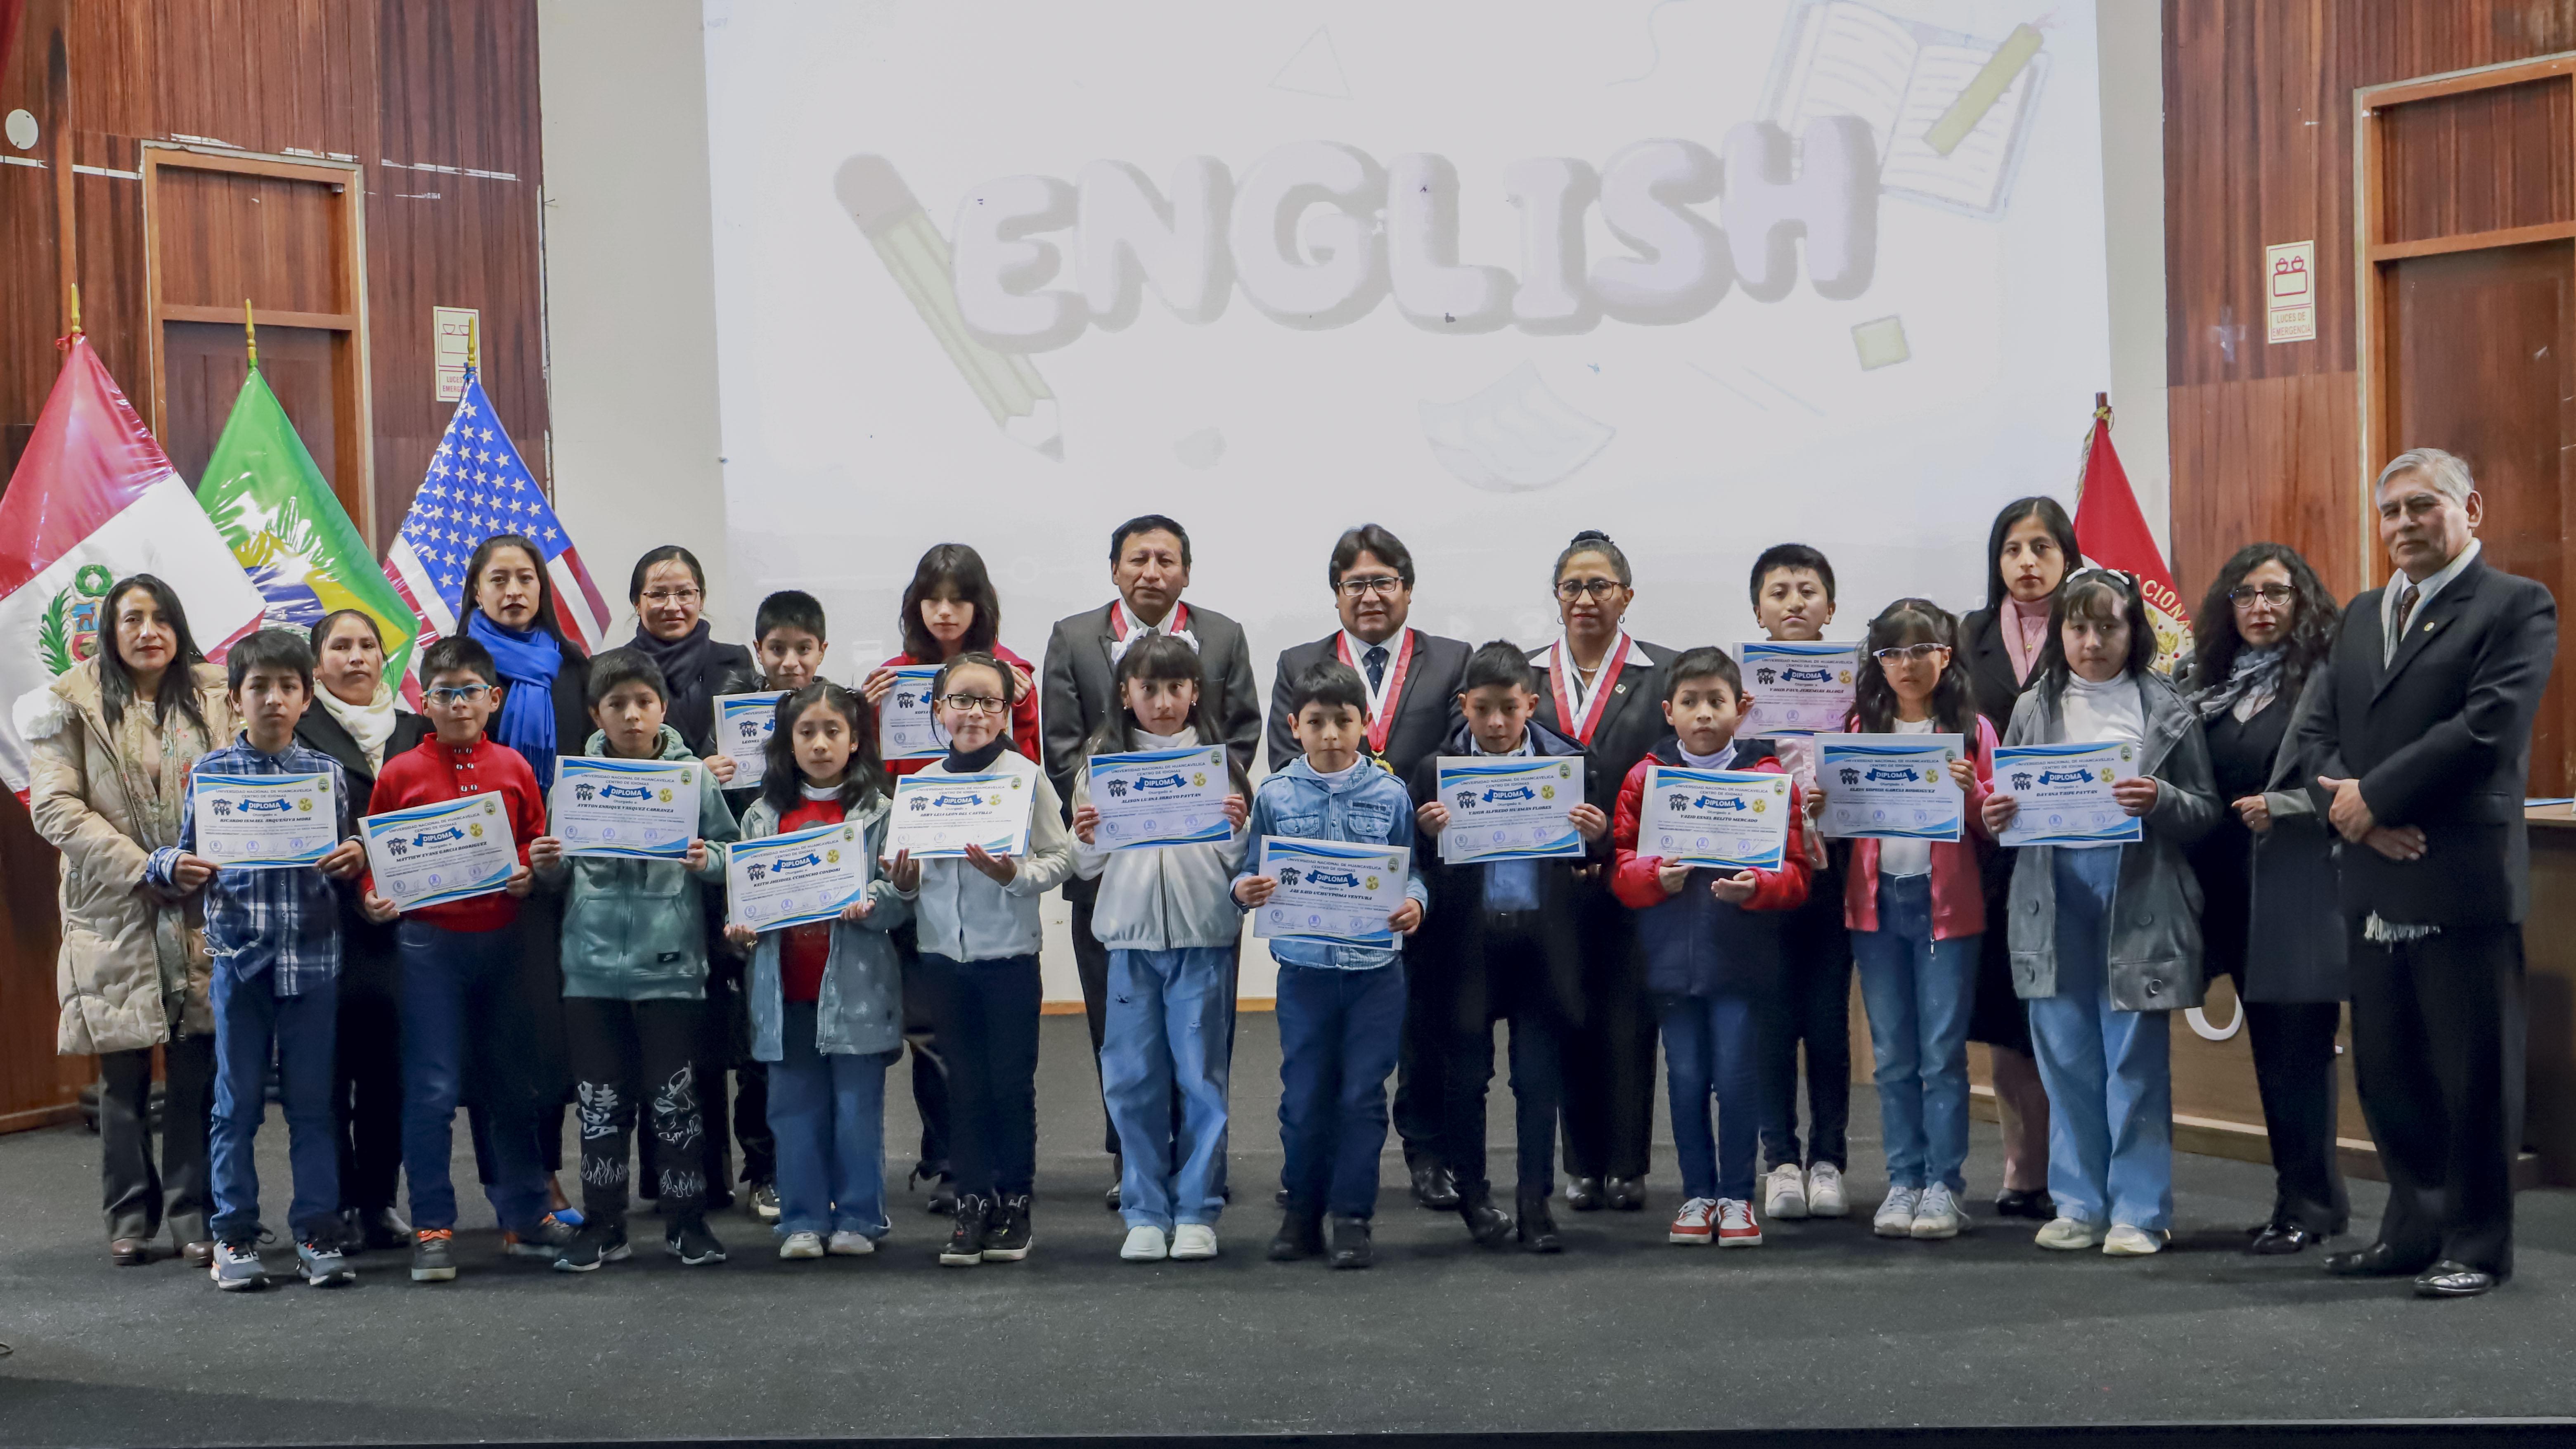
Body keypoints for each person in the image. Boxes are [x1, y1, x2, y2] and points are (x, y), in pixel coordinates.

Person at [2302, 448, 2557, 1298]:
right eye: (2390, 512)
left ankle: (2477, 1245)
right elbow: (2313, 738)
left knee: (2474, 1074)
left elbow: (2487, 730)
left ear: (2469, 508)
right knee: (2390, 1069)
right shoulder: (2364, 612)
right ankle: (2411, 1230)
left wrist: (2371, 798)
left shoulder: (2517, 606)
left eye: (2423, 505)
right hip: (2375, 873)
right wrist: (2355, 816)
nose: (2404, 524)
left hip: (2461, 879)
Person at [1980, 569, 2217, 1258]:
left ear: (2133, 629)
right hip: (2051, 895)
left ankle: (2139, 1211)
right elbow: (2010, 803)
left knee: (2135, 1059)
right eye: (2078, 628)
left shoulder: (2166, 704)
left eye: (2108, 626)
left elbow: (2204, 810)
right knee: (2064, 1057)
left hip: (2137, 894)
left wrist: (2161, 801)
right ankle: (2079, 1203)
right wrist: (1998, 815)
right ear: (2060, 633)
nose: (2092, 642)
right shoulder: (2034, 705)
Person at [1041, 516, 1261, 1208]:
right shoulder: (1074, 637)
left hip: (1201, 878)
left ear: (1186, 572)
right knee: (1122, 1040)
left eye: (1168, 559)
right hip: (1116, 879)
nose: (1152, 570)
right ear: (1115, 568)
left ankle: (1202, 1171)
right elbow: (1062, 739)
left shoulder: (1224, 634)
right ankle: (1128, 1164)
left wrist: (1195, 805)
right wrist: (1123, 800)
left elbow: (1244, 729)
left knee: (1201, 1048)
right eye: (1138, 558)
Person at [143, 629, 370, 1289]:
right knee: (235, 1105)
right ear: (237, 698)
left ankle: (318, 1229)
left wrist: (356, 859)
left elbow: (349, 864)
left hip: (313, 964)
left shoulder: (326, 775)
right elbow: (177, 859)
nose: (274, 699)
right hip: (241, 965)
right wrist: (171, 864)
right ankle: (235, 1235)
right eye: (259, 688)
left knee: (313, 1106)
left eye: (288, 688)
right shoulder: (211, 775)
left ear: (307, 697)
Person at [25, 575, 235, 1268]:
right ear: (108, 633)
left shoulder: (219, 694)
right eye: (132, 619)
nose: (149, 631)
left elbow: (244, 783)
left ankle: (189, 1211)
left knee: (196, 1066)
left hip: (203, 905)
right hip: (114, 909)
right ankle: (128, 1215)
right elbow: (55, 809)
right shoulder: (68, 708)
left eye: (161, 618)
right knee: (121, 1074)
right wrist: (147, 866)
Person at [1267, 524, 1470, 1210]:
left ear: (1407, 590)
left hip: (1418, 866)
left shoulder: (1450, 658)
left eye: (1384, 580)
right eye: (1356, 583)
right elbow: (1280, 760)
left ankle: (1426, 1153)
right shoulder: (1300, 662)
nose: (1371, 594)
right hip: (1325, 880)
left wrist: (1410, 805)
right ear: (1336, 596)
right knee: (1322, 1050)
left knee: (1423, 1024)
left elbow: (1457, 755)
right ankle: (1310, 1166)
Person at [528, 649, 741, 1271]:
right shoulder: (572, 781)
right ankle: (604, 1223)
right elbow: (560, 870)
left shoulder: (693, 779)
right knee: (599, 1101)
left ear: (662, 708)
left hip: (670, 966)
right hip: (590, 967)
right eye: (616, 704)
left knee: (675, 1099)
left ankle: (686, 1221)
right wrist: (547, 864)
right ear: (596, 712)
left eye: (642, 702)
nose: (631, 714)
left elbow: (733, 851)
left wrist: (714, 861)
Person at [357, 636, 557, 1282]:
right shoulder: (399, 773)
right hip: (427, 949)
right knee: (434, 1090)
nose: (459, 703)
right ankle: (433, 1227)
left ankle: (525, 1217)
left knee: (509, 1084)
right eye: (444, 692)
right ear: (425, 701)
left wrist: (530, 869)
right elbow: (375, 859)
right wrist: (372, 899)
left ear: (494, 698)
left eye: (471, 690)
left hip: (502, 942)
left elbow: (533, 840)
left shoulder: (514, 767)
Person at [1407, 641, 1607, 1252]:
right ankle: (1475, 1199)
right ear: (1464, 704)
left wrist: (1595, 839)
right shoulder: (1432, 770)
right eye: (1483, 709)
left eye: (1509, 710)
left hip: (1541, 947)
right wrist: (1426, 834)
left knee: (1537, 1079)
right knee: (1466, 1078)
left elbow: (1592, 864)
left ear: (1532, 704)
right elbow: (1411, 869)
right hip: (1467, 948)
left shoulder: (1570, 763)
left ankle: (1535, 1203)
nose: (1496, 724)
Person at [1610, 647, 1810, 1249]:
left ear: (1741, 708)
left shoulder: (1769, 780)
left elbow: (1796, 873)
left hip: (1741, 963)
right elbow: (1620, 865)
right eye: (1691, 703)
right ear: (1669, 711)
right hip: (1671, 962)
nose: (1703, 715)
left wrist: (1759, 887)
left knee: (1737, 1077)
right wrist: (1654, 878)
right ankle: (1697, 1194)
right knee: (1688, 1076)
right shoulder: (1646, 778)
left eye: (1716, 701)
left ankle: (1736, 1197)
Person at [2182, 544, 2350, 1255]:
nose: (2260, 607)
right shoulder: (2205, 684)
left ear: (2302, 602)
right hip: (2223, 891)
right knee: (2268, 1048)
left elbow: (2357, 770)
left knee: (2298, 1049)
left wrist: (2287, 805)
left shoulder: (2330, 679)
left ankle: (2309, 1203)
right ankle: (2302, 1194)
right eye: (2246, 594)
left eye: (2276, 593)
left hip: (2297, 887)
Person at [862, 547, 1040, 1213]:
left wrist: (1019, 708)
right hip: (918, 871)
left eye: (958, 600)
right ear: (915, 607)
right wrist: (863, 709)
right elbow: (869, 776)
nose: (944, 612)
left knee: (993, 1046)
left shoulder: (1012, 676)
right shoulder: (890, 678)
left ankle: (996, 1174)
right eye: (932, 600)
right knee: (932, 1028)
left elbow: (1027, 771)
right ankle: (946, 1157)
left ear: (978, 607)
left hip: (989, 877)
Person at [1234, 660, 1428, 1269]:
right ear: (1295, 725)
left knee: (1362, 1096)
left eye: (1344, 721)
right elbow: (1246, 867)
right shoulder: (1273, 794)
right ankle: (1302, 1212)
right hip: (1305, 970)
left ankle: (1353, 1216)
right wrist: (1245, 891)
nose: (1331, 734)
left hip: (1375, 972)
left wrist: (1416, 902)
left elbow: (1412, 869)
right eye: (1316, 722)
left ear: (1365, 723)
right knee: (1305, 1094)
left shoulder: (1390, 793)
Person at [885, 652, 1076, 1267]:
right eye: (961, 700)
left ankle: (1014, 1205)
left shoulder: (1027, 778)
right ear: (938, 709)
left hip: (1009, 959)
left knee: (1010, 1086)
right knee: (961, 1086)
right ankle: (971, 1203)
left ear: (1007, 710)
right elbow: (903, 883)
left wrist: (1012, 873)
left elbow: (1061, 857)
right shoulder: (918, 787)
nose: (973, 713)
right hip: (943, 958)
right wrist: (907, 881)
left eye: (988, 702)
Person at [1070, 634, 1252, 1262]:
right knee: (1132, 1078)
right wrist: (1086, 834)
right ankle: (1145, 1211)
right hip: (1129, 940)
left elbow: (1236, 860)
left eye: (1177, 688)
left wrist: (1237, 828)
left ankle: (1199, 1208)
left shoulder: (1219, 763)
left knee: (1200, 1077)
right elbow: (1087, 865)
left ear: (1195, 692)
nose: (1164, 701)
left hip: (1202, 939)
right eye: (1149, 688)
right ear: (1125, 694)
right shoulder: (1100, 766)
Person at [1821, 600, 1995, 1241]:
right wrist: (1820, 801)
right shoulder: (1858, 725)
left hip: (1947, 906)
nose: (1907, 664)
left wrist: (1971, 789)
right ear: (1879, 662)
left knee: (1942, 1054)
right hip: (1875, 903)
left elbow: (1995, 824)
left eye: (1921, 649)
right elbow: (1836, 819)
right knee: (1893, 1054)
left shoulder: (1972, 730)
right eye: (1893, 652)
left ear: (1945, 656)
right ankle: (1903, 1180)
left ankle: (1945, 1186)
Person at [728, 682, 912, 1260]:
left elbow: (901, 897)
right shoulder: (763, 815)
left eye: (833, 731)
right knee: (793, 1109)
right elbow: (745, 897)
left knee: (857, 1110)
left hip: (857, 989)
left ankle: (859, 1215)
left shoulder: (880, 810)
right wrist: (741, 930)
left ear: (855, 740)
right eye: (806, 731)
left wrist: (876, 901)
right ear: (788, 742)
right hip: (783, 991)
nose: (821, 743)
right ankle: (803, 1217)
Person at [623, 545, 769, 1222]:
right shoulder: (617, 673)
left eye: (685, 591)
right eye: (658, 593)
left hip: (727, 865)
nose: (672, 604)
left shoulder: (741, 664)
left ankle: (757, 1166)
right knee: (666, 1025)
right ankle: (676, 1172)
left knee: (733, 1025)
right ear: (637, 603)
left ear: (703, 597)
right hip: (647, 882)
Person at [1528, 529, 1669, 1212]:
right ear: (1557, 597)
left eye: (1600, 586)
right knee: (1567, 1016)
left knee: (1630, 1020)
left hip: (1632, 880)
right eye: (1572, 587)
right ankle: (1580, 1163)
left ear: (1626, 596)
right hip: (1553, 884)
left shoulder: (1665, 675)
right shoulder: (1525, 679)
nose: (1585, 599)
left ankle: (1628, 1164)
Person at [455, 533, 585, 1226]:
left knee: (549, 1041)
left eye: (526, 578)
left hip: (557, 884)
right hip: (480, 887)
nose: (513, 591)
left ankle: (547, 1173)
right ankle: (518, 1189)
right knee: (495, 1045)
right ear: (474, 590)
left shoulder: (574, 672)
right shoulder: (451, 673)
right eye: (498, 578)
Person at [295, 609, 433, 1254]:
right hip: (323, 927)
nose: (356, 657)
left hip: (404, 931)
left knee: (388, 1077)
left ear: (385, 657)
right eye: (340, 646)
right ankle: (338, 1203)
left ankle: (379, 1201)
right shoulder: (298, 728)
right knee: (327, 1078)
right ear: (317, 662)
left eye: (368, 645)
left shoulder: (417, 729)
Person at [1956, 497, 2077, 1222]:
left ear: (2069, 555)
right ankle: (2022, 1164)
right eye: (2012, 548)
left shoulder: (2097, 625)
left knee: (2064, 1012)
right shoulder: (1966, 638)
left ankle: (2074, 1163)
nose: (2027, 562)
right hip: (1990, 852)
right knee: (2005, 1018)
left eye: (2042, 547)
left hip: (2073, 846)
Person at [1747, 542, 1853, 1223]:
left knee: (1829, 1025)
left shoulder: (1858, 688)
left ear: (1831, 608)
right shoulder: (1740, 688)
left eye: (1807, 590)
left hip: (1836, 873)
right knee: (1772, 1022)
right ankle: (1780, 1160)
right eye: (1779, 591)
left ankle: (1830, 1160)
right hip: (1765, 874)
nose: (1794, 602)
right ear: (1758, 610)